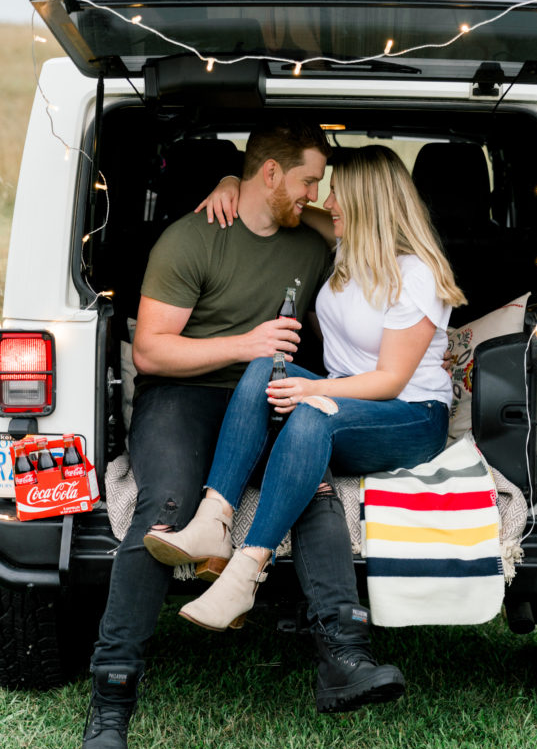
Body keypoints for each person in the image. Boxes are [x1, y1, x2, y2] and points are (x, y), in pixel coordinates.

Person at [80, 124, 405, 749]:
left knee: (308, 491)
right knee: (163, 510)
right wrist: (246, 345)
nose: (317, 196)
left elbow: (353, 218)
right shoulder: (191, 238)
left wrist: (241, 181)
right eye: (308, 180)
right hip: (184, 396)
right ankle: (111, 699)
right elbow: (151, 351)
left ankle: (342, 657)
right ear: (270, 176)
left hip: (268, 395)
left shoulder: (309, 236)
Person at [144, 145, 466, 636]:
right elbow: (275, 200)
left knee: (312, 410)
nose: (328, 202)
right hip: (349, 398)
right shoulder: (349, 247)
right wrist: (233, 182)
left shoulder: (415, 273)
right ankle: (214, 520)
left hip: (410, 415)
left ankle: (244, 574)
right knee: (264, 365)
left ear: (365, 203)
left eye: (337, 193)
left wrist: (314, 393)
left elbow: (392, 380)